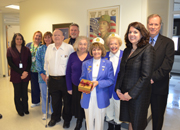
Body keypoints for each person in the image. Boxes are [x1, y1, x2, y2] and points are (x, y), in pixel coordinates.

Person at [115, 22, 155, 130]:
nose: (132, 34)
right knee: (130, 120)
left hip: (139, 95)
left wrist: (131, 94)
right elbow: (121, 71)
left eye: (135, 32)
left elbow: (146, 76)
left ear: (142, 34)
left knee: (137, 123)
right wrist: (118, 88)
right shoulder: (127, 50)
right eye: (130, 32)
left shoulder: (148, 49)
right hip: (125, 93)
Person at [147, 14, 174, 130]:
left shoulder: (168, 43)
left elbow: (167, 65)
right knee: (140, 115)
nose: (153, 27)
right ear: (147, 25)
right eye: (150, 24)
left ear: (160, 26)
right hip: (142, 87)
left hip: (159, 86)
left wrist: (152, 78)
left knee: (157, 118)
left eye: (156, 24)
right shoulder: (141, 42)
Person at [80, 37, 114, 130]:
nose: (96, 52)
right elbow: (82, 78)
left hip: (101, 94)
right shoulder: (86, 63)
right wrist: (86, 87)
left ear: (102, 50)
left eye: (98, 49)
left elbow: (111, 80)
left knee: (99, 120)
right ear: (91, 51)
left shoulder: (108, 64)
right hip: (88, 94)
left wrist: (98, 83)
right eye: (94, 49)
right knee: (89, 119)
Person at [44, 29, 74, 128]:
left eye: (59, 35)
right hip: (52, 79)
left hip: (65, 80)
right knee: (55, 101)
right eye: (54, 35)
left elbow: (73, 63)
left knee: (67, 101)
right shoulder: (49, 48)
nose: (56, 37)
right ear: (52, 37)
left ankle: (66, 119)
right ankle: (55, 117)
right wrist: (47, 74)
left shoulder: (69, 48)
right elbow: (46, 63)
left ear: (63, 37)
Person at [66, 36, 92, 130]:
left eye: (85, 44)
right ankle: (79, 121)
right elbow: (68, 72)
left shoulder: (91, 56)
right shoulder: (72, 55)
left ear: (88, 45)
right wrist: (69, 87)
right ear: (77, 44)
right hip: (75, 84)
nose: (82, 46)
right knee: (77, 104)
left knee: (86, 103)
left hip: (87, 84)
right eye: (80, 44)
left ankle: (87, 121)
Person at [7, 33, 31, 116]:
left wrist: (26, 72)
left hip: (26, 74)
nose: (19, 40)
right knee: (17, 93)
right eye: (17, 39)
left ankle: (25, 108)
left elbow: (29, 62)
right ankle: (19, 109)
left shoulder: (27, 49)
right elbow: (10, 63)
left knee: (24, 93)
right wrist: (21, 73)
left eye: (20, 39)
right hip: (16, 74)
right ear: (14, 40)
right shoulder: (10, 50)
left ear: (22, 40)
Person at [105, 33, 123, 130]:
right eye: (111, 44)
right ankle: (110, 126)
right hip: (108, 88)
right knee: (109, 107)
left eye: (115, 44)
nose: (113, 46)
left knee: (118, 108)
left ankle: (118, 126)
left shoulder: (124, 55)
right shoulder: (105, 56)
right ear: (108, 45)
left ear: (119, 44)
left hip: (119, 88)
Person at [36, 31, 53, 120]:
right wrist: (42, 74)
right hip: (42, 76)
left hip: (53, 76)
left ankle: (53, 112)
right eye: (45, 37)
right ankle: (44, 112)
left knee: (53, 95)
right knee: (44, 94)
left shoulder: (54, 48)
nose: (47, 39)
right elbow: (37, 61)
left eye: (49, 37)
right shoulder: (40, 49)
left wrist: (50, 75)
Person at [26, 31, 42, 108]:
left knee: (42, 86)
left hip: (41, 70)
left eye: (39, 36)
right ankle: (35, 101)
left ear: (41, 38)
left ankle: (46, 101)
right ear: (33, 36)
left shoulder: (42, 46)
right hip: (32, 70)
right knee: (34, 86)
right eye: (36, 35)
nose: (37, 37)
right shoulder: (28, 45)